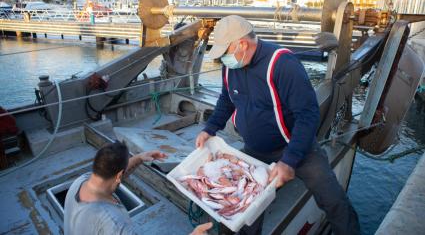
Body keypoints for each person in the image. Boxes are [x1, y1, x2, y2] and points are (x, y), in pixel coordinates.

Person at [196, 15, 360, 235]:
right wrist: (209, 128)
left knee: (334, 201)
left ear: (242, 44)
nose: (223, 59)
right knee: (243, 214)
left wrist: (289, 161)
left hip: (296, 147)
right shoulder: (230, 66)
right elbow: (227, 100)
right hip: (255, 151)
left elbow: (308, 114)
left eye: (225, 52)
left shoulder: (283, 63)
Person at [64, 141, 212, 235]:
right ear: (118, 175)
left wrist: (140, 158)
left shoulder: (81, 181)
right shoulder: (115, 224)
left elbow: (115, 173)